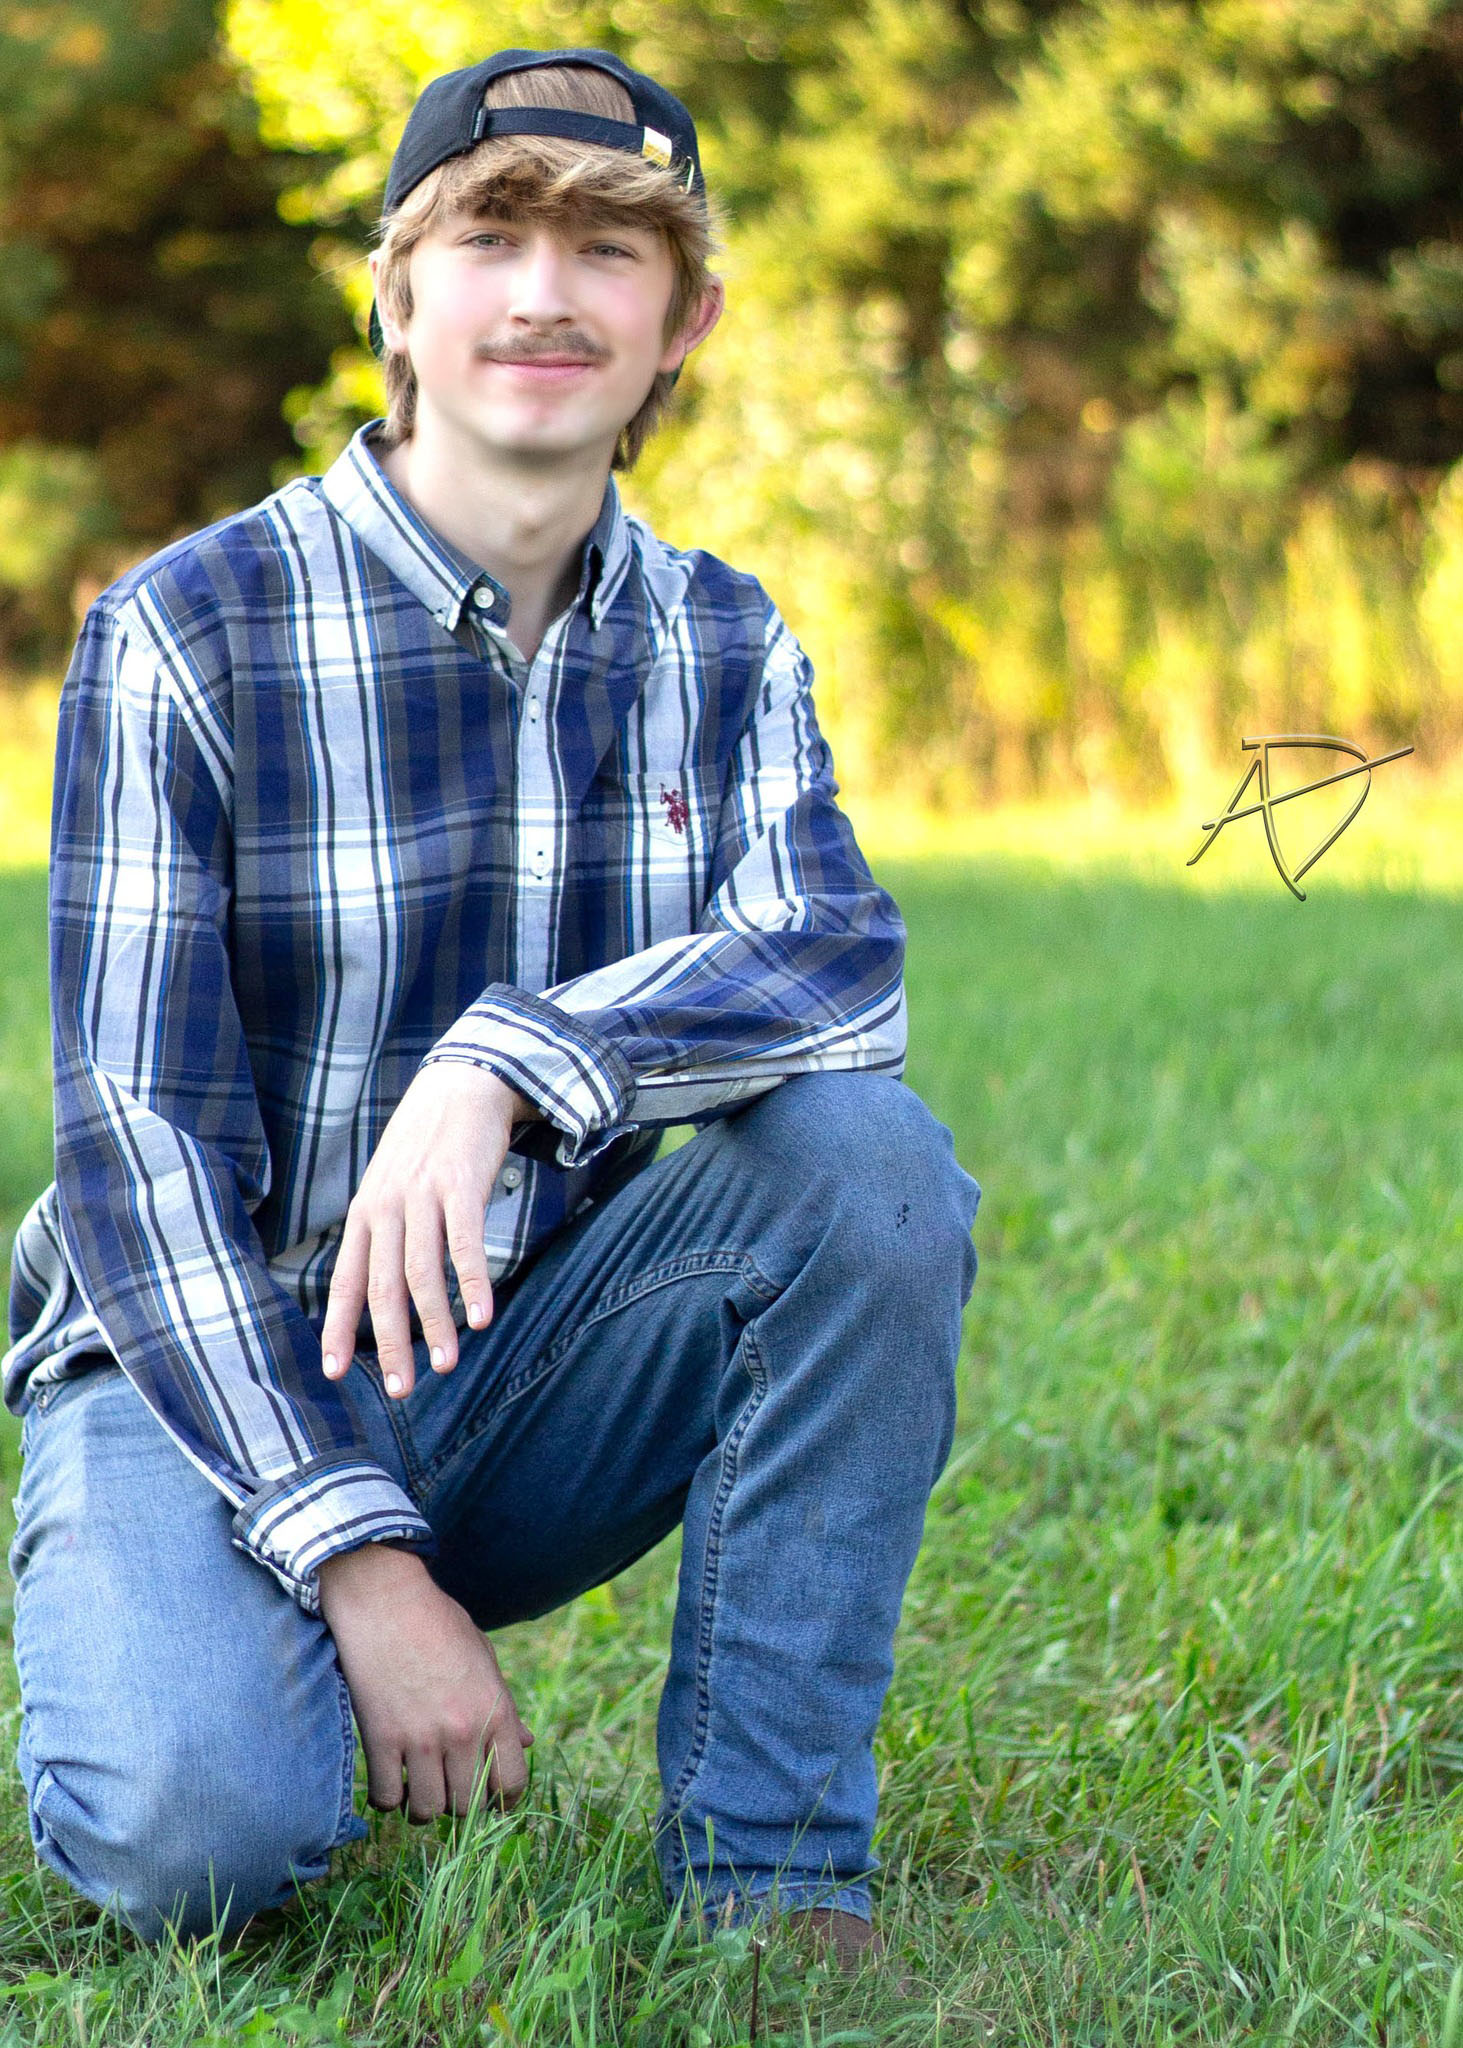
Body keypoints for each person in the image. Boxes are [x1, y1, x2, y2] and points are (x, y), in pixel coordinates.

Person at [3, 46, 981, 1961]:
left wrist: (516, 1061)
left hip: (535, 1358)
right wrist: (361, 1566)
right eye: (493, 235)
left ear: (683, 320)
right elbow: (140, 1171)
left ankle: (774, 1880)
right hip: (211, 1366)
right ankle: (216, 1639)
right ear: (396, 289)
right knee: (194, 1846)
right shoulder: (184, 635)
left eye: (613, 248)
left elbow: (832, 953)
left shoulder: (724, 636)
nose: (547, 293)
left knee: (868, 1167)